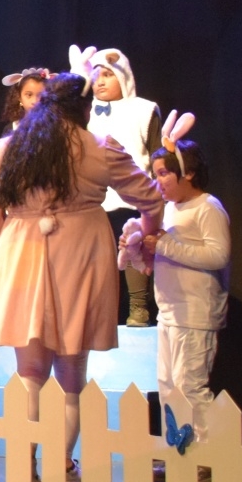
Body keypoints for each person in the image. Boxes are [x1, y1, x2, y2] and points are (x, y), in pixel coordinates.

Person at [0, 73, 163, 482]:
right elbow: (150, 197)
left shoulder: (7, 149)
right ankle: (61, 465)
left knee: (30, 369)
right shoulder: (100, 146)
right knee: (72, 371)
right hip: (81, 254)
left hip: (21, 253)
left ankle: (25, 467)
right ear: (84, 109)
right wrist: (147, 238)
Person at [121, 122, 228, 441]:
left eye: (164, 173)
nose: (158, 182)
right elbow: (161, 255)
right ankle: (179, 453)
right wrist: (138, 249)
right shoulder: (168, 210)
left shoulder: (207, 207)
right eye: (155, 175)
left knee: (190, 386)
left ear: (188, 173)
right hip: (169, 313)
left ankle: (206, 455)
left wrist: (165, 245)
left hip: (195, 314)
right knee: (168, 387)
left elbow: (218, 255)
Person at [77, 46, 162, 327]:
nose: (100, 82)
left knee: (133, 248)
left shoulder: (144, 110)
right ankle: (104, 313)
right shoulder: (85, 113)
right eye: (95, 76)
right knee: (99, 259)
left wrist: (158, 194)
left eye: (108, 75)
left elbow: (156, 153)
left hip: (134, 198)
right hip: (95, 200)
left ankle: (138, 307)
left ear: (123, 76)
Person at [0, 68, 49, 133]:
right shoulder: (12, 129)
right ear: (19, 97)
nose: (35, 101)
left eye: (41, 95)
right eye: (29, 95)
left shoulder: (55, 127)